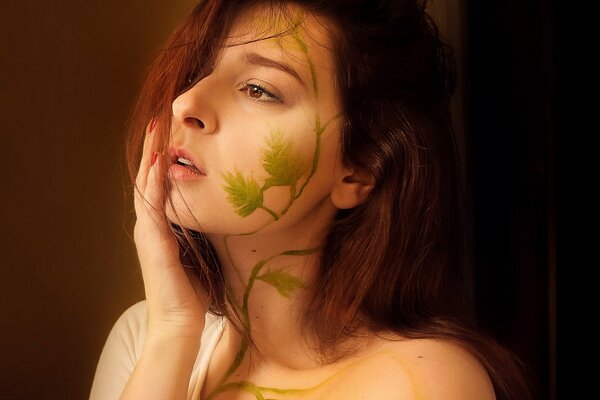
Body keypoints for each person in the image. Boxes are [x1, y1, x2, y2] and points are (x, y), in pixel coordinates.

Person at [90, 0, 531, 399]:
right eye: (194, 72)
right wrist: (171, 333)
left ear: (359, 166)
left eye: (259, 89)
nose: (184, 102)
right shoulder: (145, 336)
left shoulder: (421, 381)